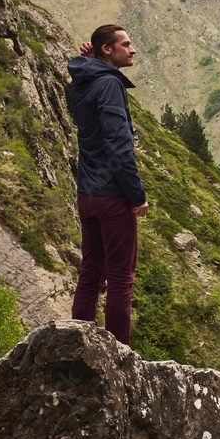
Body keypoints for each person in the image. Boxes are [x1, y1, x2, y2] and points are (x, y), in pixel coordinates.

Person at [67, 24, 148, 344]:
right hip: (112, 196)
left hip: (86, 193)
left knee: (90, 273)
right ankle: (119, 355)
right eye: (125, 44)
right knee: (119, 278)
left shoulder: (83, 81)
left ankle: (76, 343)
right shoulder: (110, 85)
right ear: (107, 50)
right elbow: (118, 146)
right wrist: (136, 195)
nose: (132, 49)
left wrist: (88, 61)